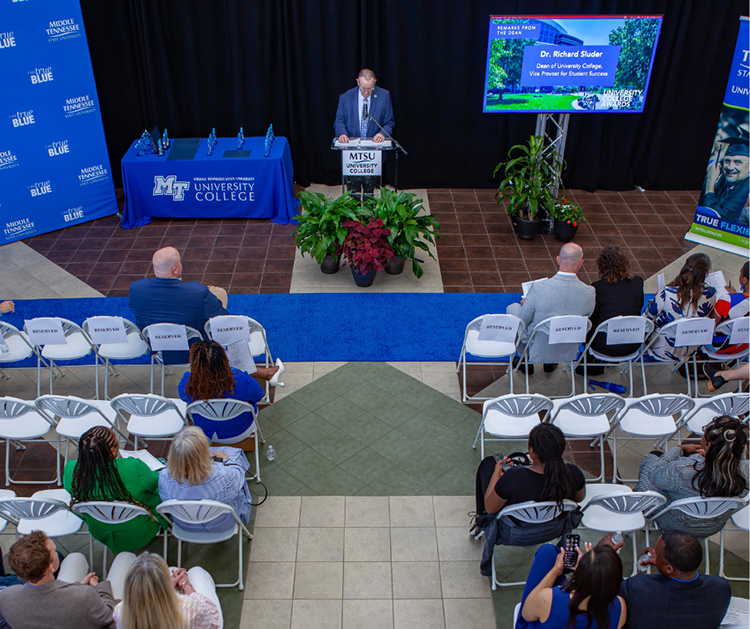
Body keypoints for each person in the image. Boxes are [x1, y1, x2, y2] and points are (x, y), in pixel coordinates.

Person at [129, 246, 282, 378]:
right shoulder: (197, 292)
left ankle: (257, 372)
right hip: (197, 351)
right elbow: (223, 318)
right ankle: (253, 372)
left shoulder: (136, 289)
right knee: (226, 329)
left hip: (161, 351)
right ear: (175, 269)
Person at [473, 423, 586, 576]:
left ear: (531, 450)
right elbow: (579, 498)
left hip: (511, 533)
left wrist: (497, 474)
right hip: (553, 529)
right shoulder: (573, 474)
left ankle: (480, 519)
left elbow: (491, 507)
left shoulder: (513, 477)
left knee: (487, 464)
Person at [635, 415, 749, 538]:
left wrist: (678, 449)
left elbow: (653, 475)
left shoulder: (684, 469)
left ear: (709, 445)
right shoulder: (746, 470)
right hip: (713, 526)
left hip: (675, 524)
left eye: (703, 433)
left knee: (652, 458)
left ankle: (641, 511)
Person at [0, 530, 136, 629]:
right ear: (50, 567)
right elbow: (109, 618)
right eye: (54, 550)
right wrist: (100, 587)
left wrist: (77, 586)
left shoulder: (6, 597)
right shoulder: (85, 596)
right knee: (126, 557)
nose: (56, 551)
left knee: (75, 557)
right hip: (88, 611)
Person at [63, 426, 168, 553]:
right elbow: (155, 484)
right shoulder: (133, 467)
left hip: (100, 530)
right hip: (141, 530)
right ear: (113, 452)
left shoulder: (70, 470)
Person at [598, 530, 731, 629]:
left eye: (657, 553)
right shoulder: (721, 588)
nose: (654, 553)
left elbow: (611, 586)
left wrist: (603, 555)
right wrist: (663, 565)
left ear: (669, 568)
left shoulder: (638, 589)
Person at [506, 243, 595, 374]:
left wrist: (526, 304)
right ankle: (550, 362)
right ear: (581, 263)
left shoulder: (538, 288)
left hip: (538, 341)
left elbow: (523, 320)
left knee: (513, 308)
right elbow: (587, 316)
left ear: (558, 259)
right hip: (567, 341)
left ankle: (523, 359)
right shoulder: (589, 292)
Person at [159, 426, 254, 531]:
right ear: (205, 454)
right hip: (222, 525)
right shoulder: (225, 476)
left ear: (172, 455)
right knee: (235, 456)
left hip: (186, 526)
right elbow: (239, 475)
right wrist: (226, 460)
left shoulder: (164, 477)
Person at [518, 542, 626, 628]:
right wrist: (592, 571)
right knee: (549, 553)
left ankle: (561, 568)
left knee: (547, 552)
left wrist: (556, 570)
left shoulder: (548, 599)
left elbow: (526, 615)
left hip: (543, 613)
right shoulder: (620, 607)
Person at [577, 246, 644, 376]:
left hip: (603, 345)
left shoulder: (598, 287)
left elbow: (591, 314)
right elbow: (639, 306)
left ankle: (592, 363)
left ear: (601, 266)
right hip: (632, 342)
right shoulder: (637, 282)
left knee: (590, 323)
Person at [179, 340, 264, 443]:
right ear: (224, 359)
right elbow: (259, 396)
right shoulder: (243, 380)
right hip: (242, 430)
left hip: (206, 433)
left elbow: (183, 396)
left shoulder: (188, 382)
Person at [113, 553, 221, 629]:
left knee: (172, 569)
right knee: (197, 571)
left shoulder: (119, 612)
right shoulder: (191, 609)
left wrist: (164, 587)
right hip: (201, 618)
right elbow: (214, 622)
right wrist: (186, 585)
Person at [643, 253, 716, 361]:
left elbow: (648, 317)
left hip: (662, 349)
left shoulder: (667, 293)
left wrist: (658, 297)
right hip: (690, 348)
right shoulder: (711, 293)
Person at [334, 68, 395, 144]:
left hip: (375, 146)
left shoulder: (384, 96)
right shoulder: (346, 97)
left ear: (375, 82)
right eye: (363, 88)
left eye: (369, 88)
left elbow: (389, 123)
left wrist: (382, 134)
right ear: (358, 82)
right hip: (352, 147)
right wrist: (342, 134)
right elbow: (339, 121)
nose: (366, 92)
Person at [699, 136, 749, 224]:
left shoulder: (746, 189)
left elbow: (714, 218)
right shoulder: (725, 180)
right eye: (727, 161)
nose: (730, 167)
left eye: (737, 163)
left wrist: (710, 186)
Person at [709, 260, 749, 355]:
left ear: (745, 280)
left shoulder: (727, 300)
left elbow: (711, 324)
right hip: (745, 346)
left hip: (721, 346)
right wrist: (736, 295)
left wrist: (733, 297)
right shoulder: (733, 300)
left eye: (740, 273)